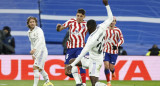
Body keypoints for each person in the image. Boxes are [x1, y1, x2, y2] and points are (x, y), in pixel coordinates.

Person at [66, 0, 114, 86]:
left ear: (89, 27)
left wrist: (71, 65)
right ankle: (79, 83)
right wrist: (107, 5)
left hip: (96, 62)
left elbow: (81, 54)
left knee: (94, 84)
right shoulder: (101, 27)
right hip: (92, 59)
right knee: (71, 61)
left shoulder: (91, 40)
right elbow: (110, 18)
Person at [56, 8, 88, 85]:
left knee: (81, 66)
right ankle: (78, 77)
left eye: (81, 16)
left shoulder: (86, 24)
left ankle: (83, 84)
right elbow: (59, 29)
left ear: (84, 17)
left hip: (80, 48)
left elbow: (93, 34)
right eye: (78, 16)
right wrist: (58, 27)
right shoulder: (71, 21)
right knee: (67, 72)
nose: (79, 17)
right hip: (70, 49)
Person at [27, 16, 53, 86]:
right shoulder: (29, 32)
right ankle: (48, 82)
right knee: (40, 69)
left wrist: (35, 49)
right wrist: (33, 53)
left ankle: (35, 85)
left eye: (33, 22)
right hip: (36, 52)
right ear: (28, 24)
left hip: (42, 51)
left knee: (35, 67)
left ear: (36, 23)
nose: (32, 23)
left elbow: (41, 40)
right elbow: (32, 43)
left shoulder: (39, 30)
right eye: (30, 22)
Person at [103, 16, 124, 86]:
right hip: (105, 50)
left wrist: (117, 45)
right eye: (111, 21)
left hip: (114, 52)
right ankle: (108, 82)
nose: (112, 22)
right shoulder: (104, 29)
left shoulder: (118, 30)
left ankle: (113, 72)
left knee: (111, 67)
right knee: (106, 66)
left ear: (115, 22)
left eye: (114, 21)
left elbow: (122, 40)